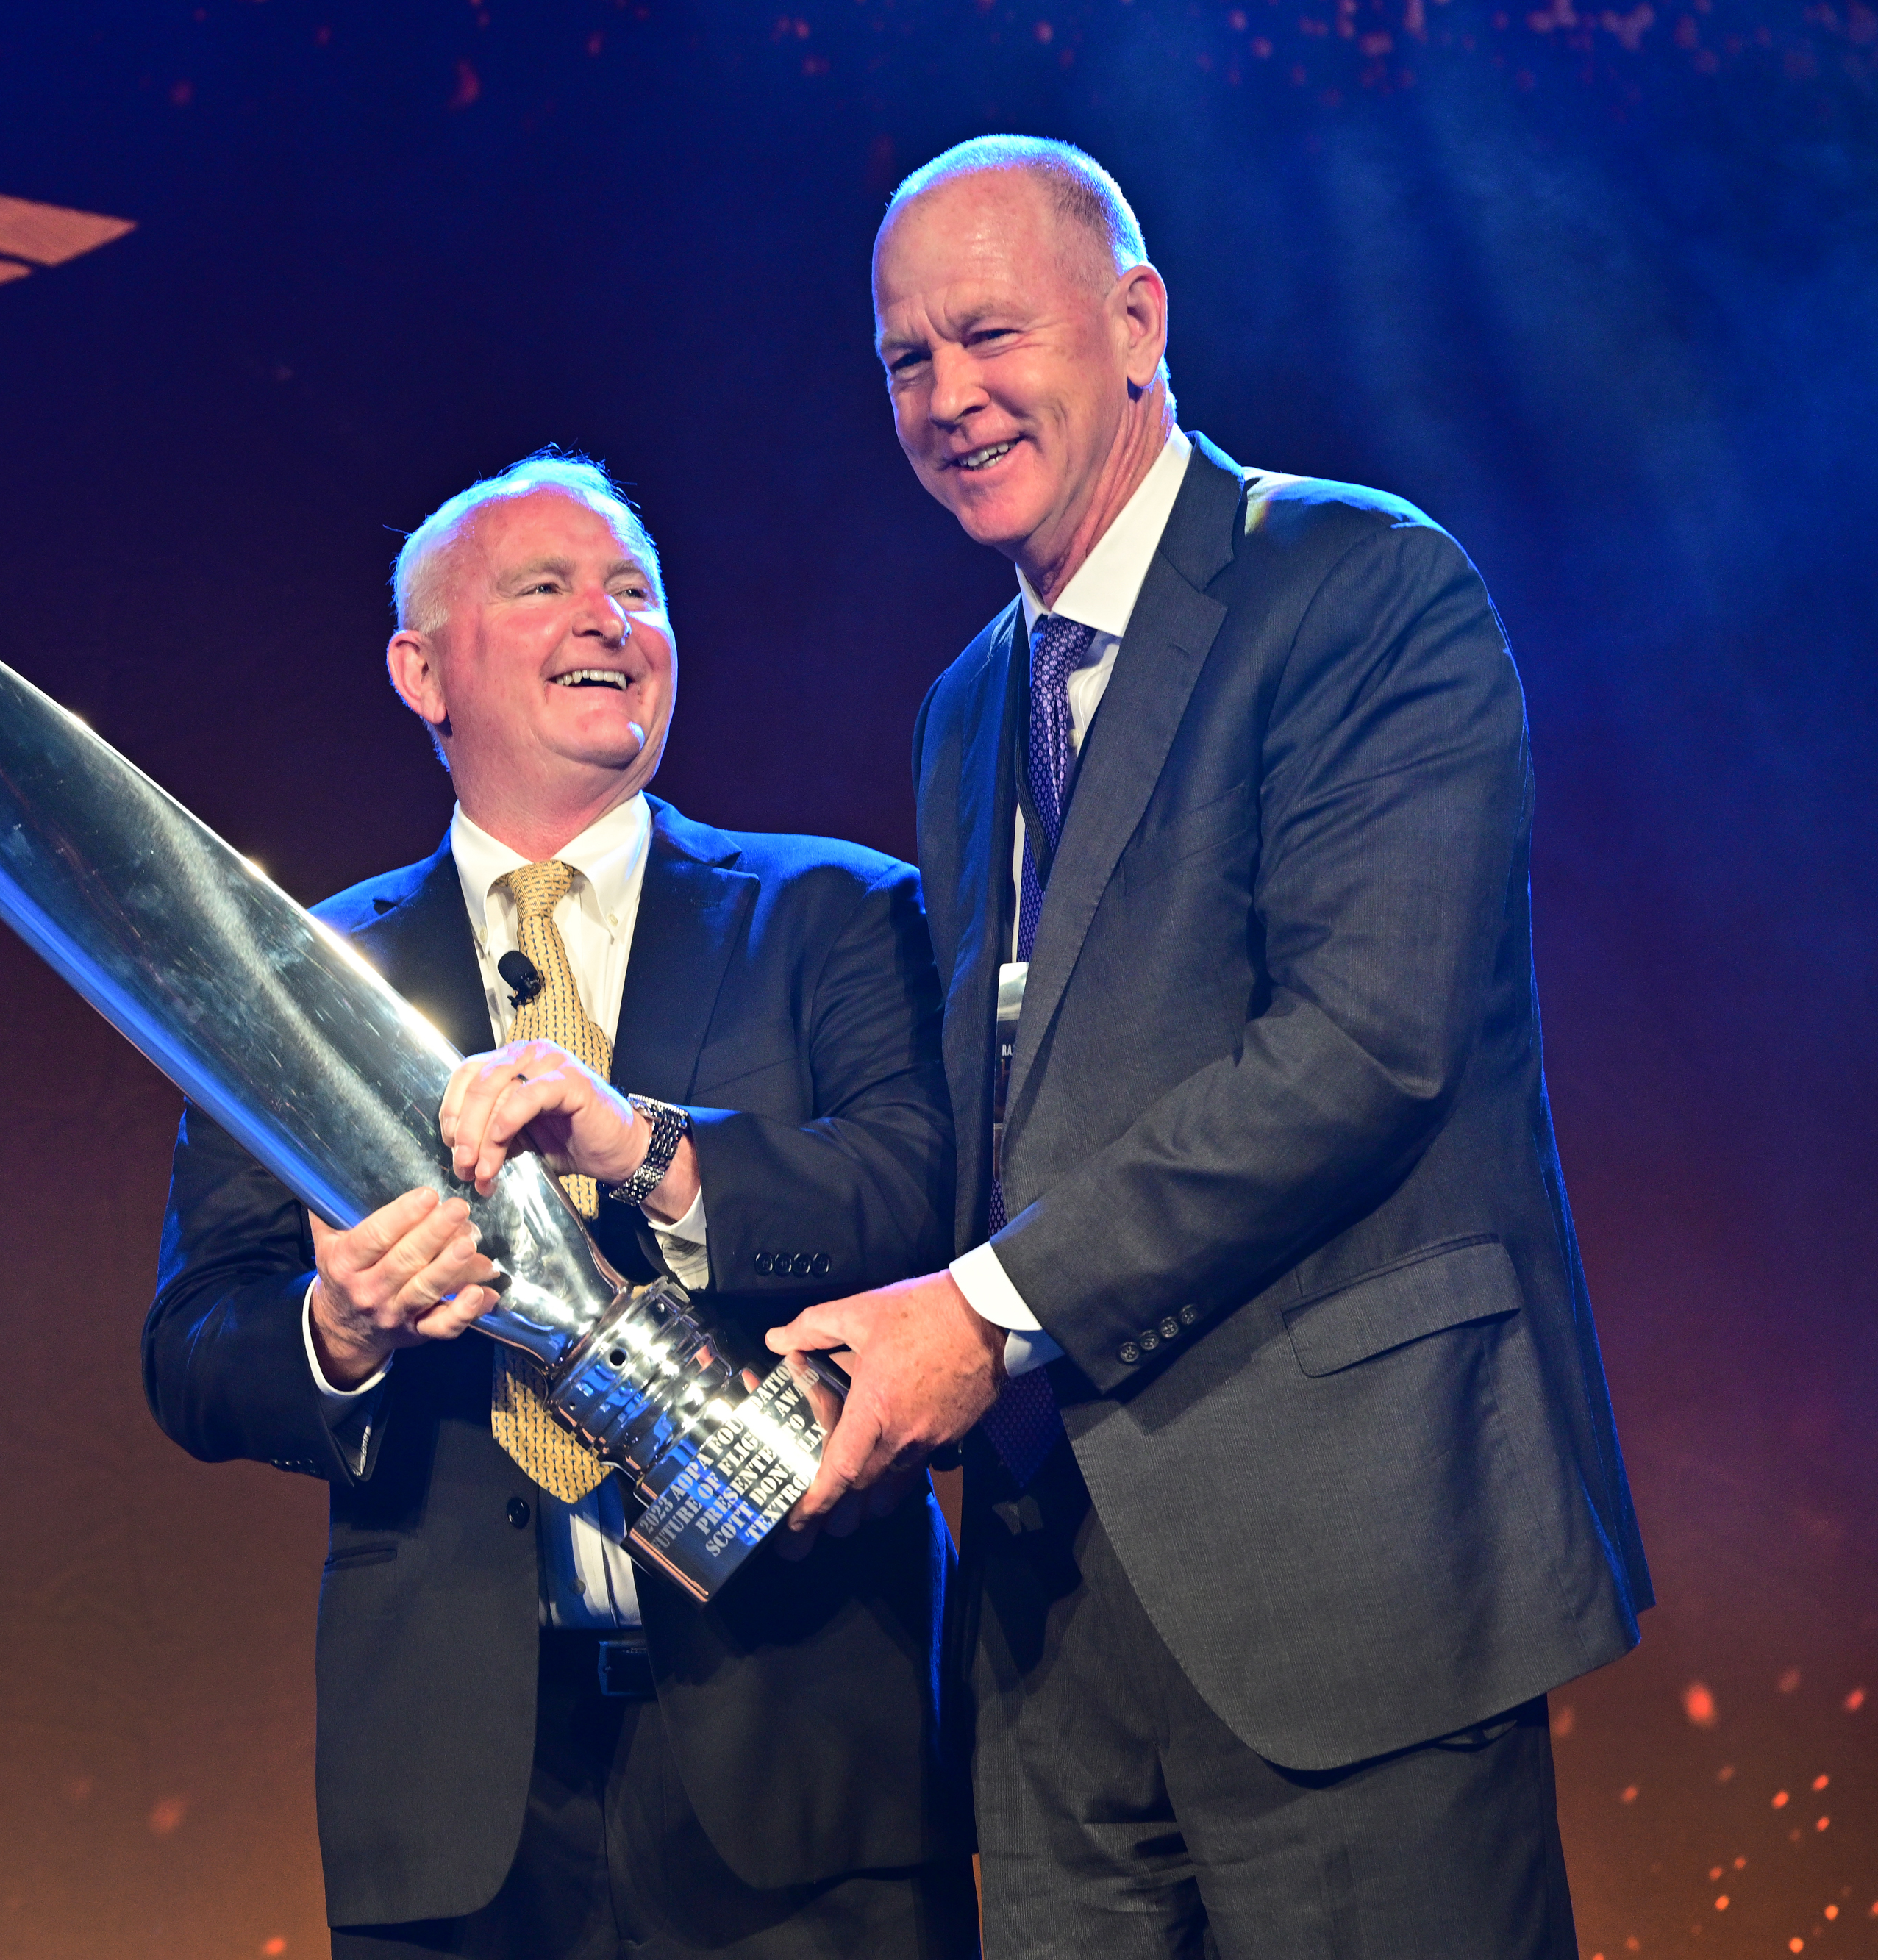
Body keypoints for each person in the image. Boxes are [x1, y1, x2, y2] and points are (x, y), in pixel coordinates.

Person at [763, 137, 1649, 1955]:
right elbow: (990, 1117)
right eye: (904, 362)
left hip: (1351, 1586)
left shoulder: (1356, 591)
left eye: (988, 335)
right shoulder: (965, 709)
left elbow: (1358, 1051)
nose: (949, 397)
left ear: (1136, 319)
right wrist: (663, 1168)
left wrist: (986, 1310)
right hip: (1052, 1627)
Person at [146, 454, 974, 1960]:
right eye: (545, 587)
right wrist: (340, 1326)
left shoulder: (832, 914)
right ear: (419, 668)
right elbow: (196, 1344)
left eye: (637, 591)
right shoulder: (302, 983)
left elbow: (922, 1202)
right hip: (459, 1791)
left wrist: (645, 1148)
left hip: (800, 1749)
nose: (610, 618)